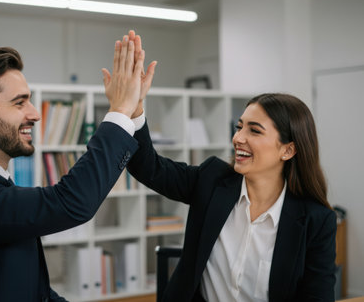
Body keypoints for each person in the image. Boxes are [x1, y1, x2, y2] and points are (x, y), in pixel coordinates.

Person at [0, 31, 156, 302]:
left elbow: (33, 288)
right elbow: (72, 202)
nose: (34, 114)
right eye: (20, 103)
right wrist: (120, 111)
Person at [125, 79, 336, 300]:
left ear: (288, 150)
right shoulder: (211, 180)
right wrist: (134, 108)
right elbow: (150, 168)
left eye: (254, 131)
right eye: (239, 127)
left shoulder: (317, 221)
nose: (237, 138)